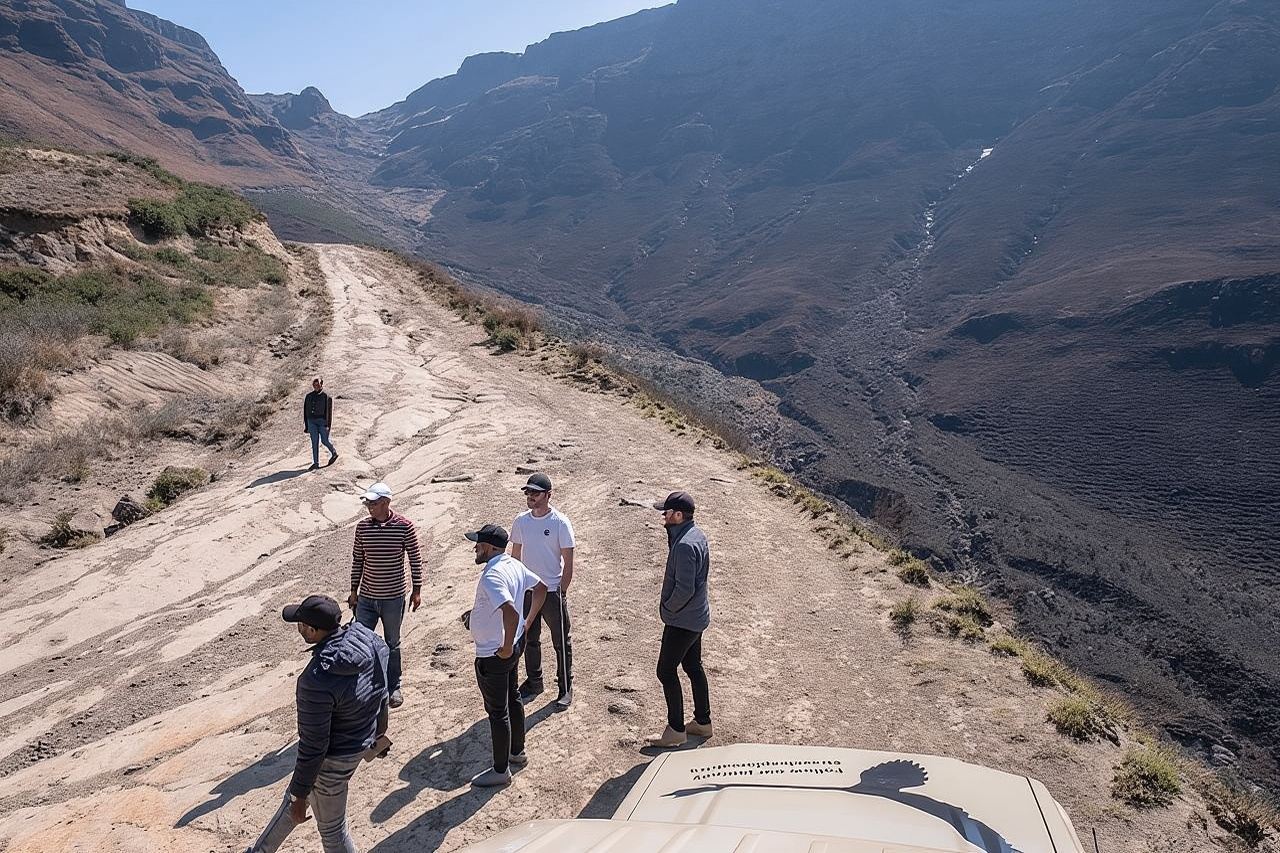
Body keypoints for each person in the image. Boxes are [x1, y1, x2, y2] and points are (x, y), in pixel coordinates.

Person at [247, 595, 389, 853]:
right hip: (360, 742)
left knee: (333, 830)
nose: (298, 628)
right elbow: (382, 693)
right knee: (292, 800)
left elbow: (314, 745)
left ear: (313, 630)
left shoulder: (315, 680)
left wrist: (299, 796)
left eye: (301, 625)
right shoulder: (369, 639)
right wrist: (379, 733)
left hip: (333, 760)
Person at [462, 523, 546, 787]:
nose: (475, 548)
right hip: (511, 644)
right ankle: (517, 752)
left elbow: (509, 612)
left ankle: (501, 771)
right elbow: (541, 587)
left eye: (478, 543)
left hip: (495, 653)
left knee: (497, 712)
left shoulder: (492, 575)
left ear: (488, 547)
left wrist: (508, 644)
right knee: (514, 697)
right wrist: (528, 621)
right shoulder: (513, 564)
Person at [647, 491, 713, 749]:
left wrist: (667, 608)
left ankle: (675, 730)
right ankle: (703, 722)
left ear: (678, 515)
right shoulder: (696, 535)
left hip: (682, 620)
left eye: (666, 513)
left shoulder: (684, 545)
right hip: (697, 617)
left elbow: (685, 589)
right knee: (693, 666)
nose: (663, 517)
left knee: (665, 670)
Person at [349, 482, 423, 709]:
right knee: (360, 642)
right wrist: (353, 591)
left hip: (393, 597)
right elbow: (357, 561)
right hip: (367, 598)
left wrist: (417, 590)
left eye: (374, 503)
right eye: (368, 503)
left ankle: (394, 686)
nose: (369, 507)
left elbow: (415, 559)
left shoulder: (404, 526)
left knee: (392, 643)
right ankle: (361, 685)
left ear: (386, 503)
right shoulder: (362, 528)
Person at [511, 472, 576, 708]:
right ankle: (534, 682)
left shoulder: (560, 523)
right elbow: (515, 556)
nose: (530, 497)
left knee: (561, 641)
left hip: (551, 591)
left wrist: (562, 591)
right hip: (528, 591)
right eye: (528, 492)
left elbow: (568, 561)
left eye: (535, 493)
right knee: (529, 638)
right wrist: (517, 587)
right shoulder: (521, 521)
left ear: (548, 495)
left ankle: (565, 688)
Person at [303, 378, 338, 470]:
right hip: (311, 422)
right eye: (314, 385)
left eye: (317, 384)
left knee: (324, 441)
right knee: (314, 442)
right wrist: (307, 426)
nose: (316, 386)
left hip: (322, 422)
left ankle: (333, 452)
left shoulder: (326, 397)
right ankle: (316, 463)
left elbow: (329, 413)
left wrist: (328, 426)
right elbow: (305, 412)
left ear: (321, 384)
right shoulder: (309, 396)